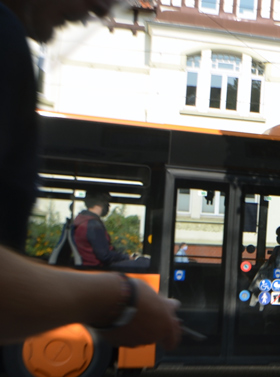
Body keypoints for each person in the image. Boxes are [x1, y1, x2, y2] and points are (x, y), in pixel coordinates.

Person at [0, 0, 181, 349]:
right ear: (104, 205)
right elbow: (102, 258)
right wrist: (123, 296)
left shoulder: (80, 222)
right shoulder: (4, 35)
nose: (101, 10)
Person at [72, 191, 140, 268]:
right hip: (97, 268)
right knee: (143, 264)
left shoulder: (82, 220)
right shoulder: (93, 225)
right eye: (106, 201)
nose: (108, 205)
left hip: (91, 266)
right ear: (100, 202)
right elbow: (104, 255)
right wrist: (127, 257)